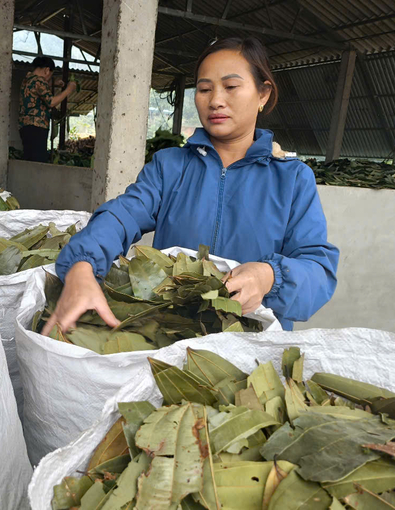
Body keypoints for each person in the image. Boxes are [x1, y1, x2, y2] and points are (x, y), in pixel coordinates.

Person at [42, 37, 339, 335]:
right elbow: (121, 216)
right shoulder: (169, 166)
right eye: (204, 89)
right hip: (170, 337)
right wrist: (82, 266)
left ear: (263, 94)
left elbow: (318, 270)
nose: (215, 101)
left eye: (231, 87)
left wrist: (269, 276)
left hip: (252, 347)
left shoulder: (292, 179)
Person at [19, 56, 77, 162]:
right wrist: (69, 90)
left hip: (25, 126)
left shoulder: (28, 79)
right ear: (46, 70)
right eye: (50, 75)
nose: (49, 78)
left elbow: (37, 90)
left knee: (29, 158)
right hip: (37, 127)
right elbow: (51, 102)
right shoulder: (39, 81)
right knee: (38, 160)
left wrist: (52, 83)